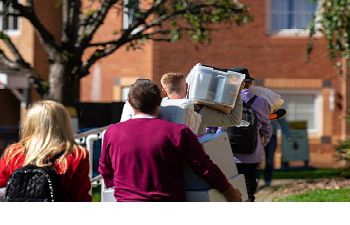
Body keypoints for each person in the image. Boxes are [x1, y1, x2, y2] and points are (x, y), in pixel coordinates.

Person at [99, 79, 242, 202]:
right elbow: (204, 168)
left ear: (129, 102)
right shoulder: (178, 132)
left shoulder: (112, 132)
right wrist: (229, 191)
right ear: (160, 102)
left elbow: (105, 169)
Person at [0, 100, 92, 202]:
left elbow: (2, 185)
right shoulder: (76, 154)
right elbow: (80, 196)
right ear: (64, 123)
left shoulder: (13, 153)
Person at [225, 67, 272, 202]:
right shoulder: (261, 101)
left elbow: (211, 127)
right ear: (249, 82)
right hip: (251, 154)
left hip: (227, 153)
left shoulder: (223, 100)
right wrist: (262, 144)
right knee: (248, 191)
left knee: (227, 191)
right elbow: (267, 129)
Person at [160, 72, 243, 135]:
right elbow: (234, 119)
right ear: (187, 86)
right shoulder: (199, 110)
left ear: (163, 91)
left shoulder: (158, 109)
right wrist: (237, 92)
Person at [263, 117, 293, 187]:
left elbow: (282, 121)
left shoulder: (275, 107)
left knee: (269, 159)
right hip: (258, 135)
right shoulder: (255, 105)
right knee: (255, 159)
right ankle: (254, 180)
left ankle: (267, 180)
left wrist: (288, 135)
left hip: (271, 136)